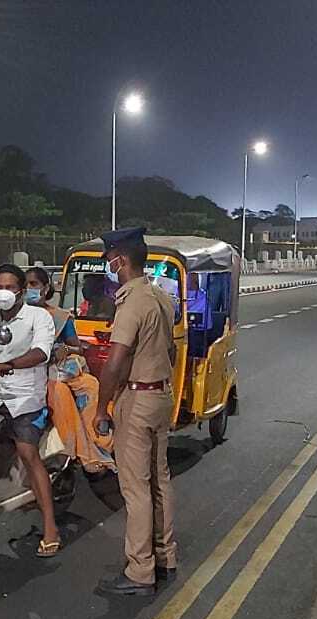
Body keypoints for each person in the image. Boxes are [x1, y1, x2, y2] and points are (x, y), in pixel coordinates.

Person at [93, 227, 177, 596]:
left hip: (138, 399)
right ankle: (165, 556)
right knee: (160, 481)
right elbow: (171, 351)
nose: (109, 266)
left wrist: (101, 408)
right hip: (161, 395)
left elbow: (115, 362)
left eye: (110, 260)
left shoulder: (131, 303)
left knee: (135, 487)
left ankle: (140, 570)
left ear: (121, 260)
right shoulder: (161, 297)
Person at [0, 264, 62, 557]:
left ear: (22, 291)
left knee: (27, 453)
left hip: (26, 399)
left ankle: (50, 528)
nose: (4, 293)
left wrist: (9, 365)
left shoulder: (39, 318)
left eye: (10, 287)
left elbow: (41, 353)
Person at [26, 267, 115, 473]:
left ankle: (100, 443)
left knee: (91, 386)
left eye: (34, 284)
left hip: (59, 370)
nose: (29, 289)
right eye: (26, 285)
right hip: (31, 374)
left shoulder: (60, 317)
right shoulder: (17, 317)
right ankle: (77, 449)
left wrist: (65, 349)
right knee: (59, 393)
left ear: (45, 288)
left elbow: (77, 347)